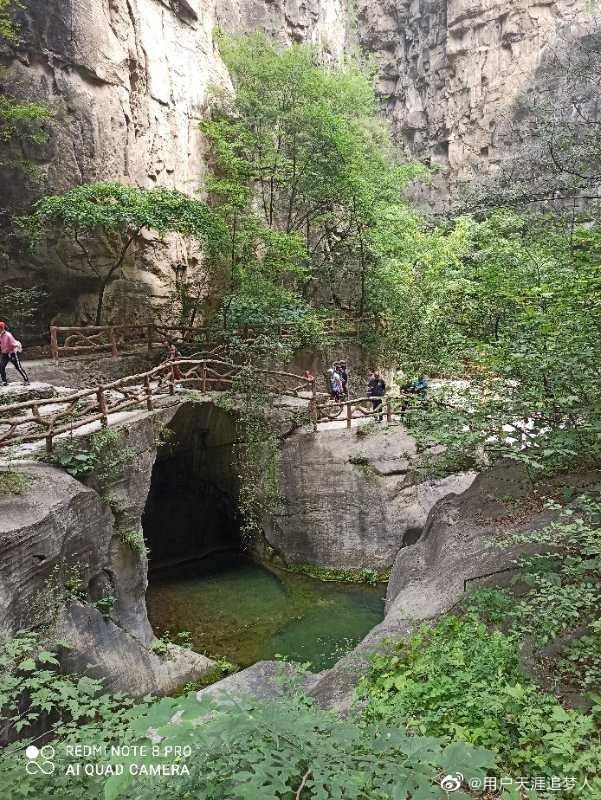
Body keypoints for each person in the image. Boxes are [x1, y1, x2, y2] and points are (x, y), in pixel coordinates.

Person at [0, 321, 29, 386]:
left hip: (12, 353)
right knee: (1, 367)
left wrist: (11, 353)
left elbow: (15, 345)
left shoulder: (8, 335)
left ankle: (26, 380)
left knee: (18, 367)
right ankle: (4, 381)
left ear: (2, 328)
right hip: (4, 354)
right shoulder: (0, 335)